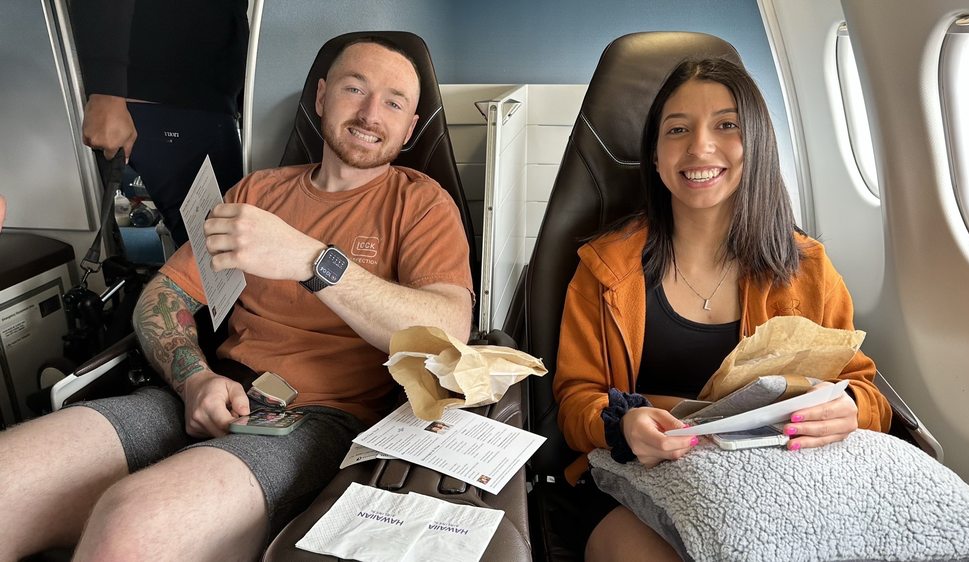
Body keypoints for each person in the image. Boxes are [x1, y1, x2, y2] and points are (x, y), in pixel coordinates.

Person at [0, 37, 474, 561]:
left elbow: (448, 334)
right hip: (207, 391)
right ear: (321, 97)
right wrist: (194, 379)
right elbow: (164, 295)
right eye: (354, 89)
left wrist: (311, 260)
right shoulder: (256, 194)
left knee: (133, 525)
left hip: (318, 420)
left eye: (394, 102)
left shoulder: (422, 204)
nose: (370, 114)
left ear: (410, 128)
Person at [552, 58, 891, 562]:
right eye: (677, 129)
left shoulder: (809, 269)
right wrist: (622, 425)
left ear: (757, 144)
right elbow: (575, 400)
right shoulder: (603, 269)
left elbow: (863, 389)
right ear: (655, 155)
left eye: (726, 125)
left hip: (770, 481)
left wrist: (851, 409)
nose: (700, 147)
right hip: (632, 479)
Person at [70, 0, 249, 246]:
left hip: (207, 102)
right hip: (165, 96)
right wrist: (106, 92)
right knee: (211, 247)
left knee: (219, 241)